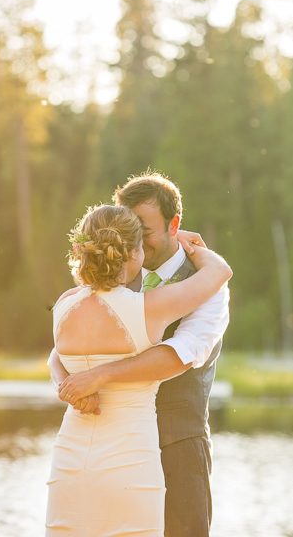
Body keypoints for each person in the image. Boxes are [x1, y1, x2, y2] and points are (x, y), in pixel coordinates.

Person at [48, 172, 230, 537]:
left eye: (141, 230)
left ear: (174, 224)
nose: (132, 243)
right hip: (108, 445)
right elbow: (63, 349)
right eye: (126, 229)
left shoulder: (206, 285)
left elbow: (179, 355)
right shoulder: (114, 272)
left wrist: (98, 376)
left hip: (177, 444)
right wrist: (69, 384)